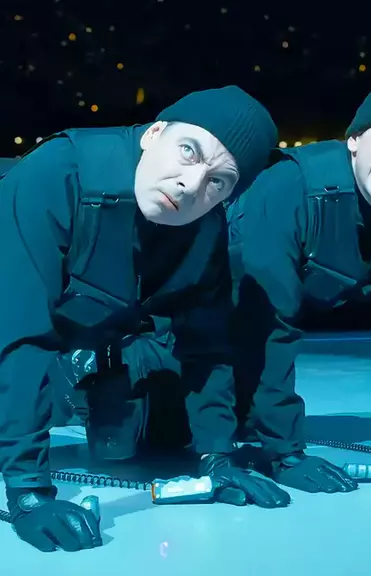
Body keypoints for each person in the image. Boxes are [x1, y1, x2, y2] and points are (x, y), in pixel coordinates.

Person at [0, 85, 291, 553]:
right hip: (15, 314)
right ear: (154, 134)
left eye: (219, 181)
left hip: (87, 329)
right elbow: (19, 331)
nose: (191, 184)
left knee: (171, 432)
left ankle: (83, 382)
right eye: (189, 151)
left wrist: (217, 456)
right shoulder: (58, 173)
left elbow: (207, 345)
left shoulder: (205, 227)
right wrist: (28, 491)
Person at [229, 78, 371, 495]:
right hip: (198, 324)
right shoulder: (290, 187)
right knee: (155, 435)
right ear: (354, 140)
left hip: (267, 323)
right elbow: (266, 321)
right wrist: (284, 452)